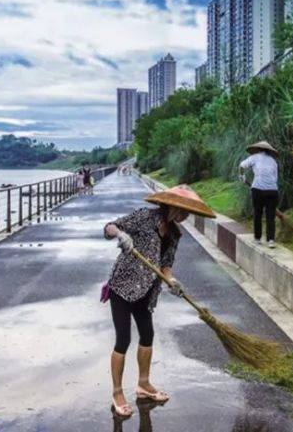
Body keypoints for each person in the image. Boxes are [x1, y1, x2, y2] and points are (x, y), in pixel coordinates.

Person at [102, 184, 217, 418]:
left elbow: (165, 265)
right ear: (173, 207)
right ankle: (117, 393)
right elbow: (109, 227)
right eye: (184, 211)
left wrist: (172, 281)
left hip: (146, 290)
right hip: (122, 287)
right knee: (123, 339)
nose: (186, 216)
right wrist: (121, 235)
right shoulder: (145, 217)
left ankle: (143, 385)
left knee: (147, 335)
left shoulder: (175, 233)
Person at [239, 141, 279, 248]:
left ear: (258, 149)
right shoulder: (274, 162)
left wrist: (242, 176)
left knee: (258, 214)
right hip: (273, 191)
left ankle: (257, 239)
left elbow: (242, 165)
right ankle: (271, 240)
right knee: (270, 216)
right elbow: (275, 179)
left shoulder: (254, 157)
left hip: (258, 189)